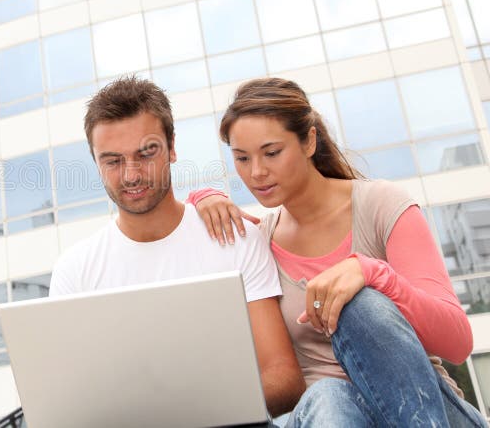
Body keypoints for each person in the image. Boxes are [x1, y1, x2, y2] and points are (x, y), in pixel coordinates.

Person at [190, 77, 486, 427]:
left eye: (272, 153)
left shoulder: (381, 205)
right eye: (241, 158)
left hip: (426, 411)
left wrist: (372, 273)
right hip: (333, 418)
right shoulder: (259, 241)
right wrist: (200, 198)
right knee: (327, 395)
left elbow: (457, 343)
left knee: (361, 302)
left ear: (309, 141)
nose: (256, 172)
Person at [49, 76, 305, 417]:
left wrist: (190, 413)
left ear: (171, 147)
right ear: (96, 163)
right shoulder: (74, 270)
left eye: (146, 152)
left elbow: (284, 378)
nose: (131, 175)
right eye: (112, 161)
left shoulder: (235, 237)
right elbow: (68, 401)